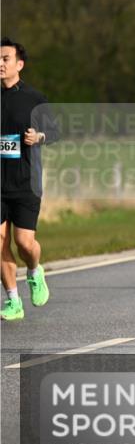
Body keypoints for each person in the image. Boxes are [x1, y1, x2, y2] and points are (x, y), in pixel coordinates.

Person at [0, 38, 54, 321]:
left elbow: (55, 133)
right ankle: (12, 301)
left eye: (5, 58)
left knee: (23, 243)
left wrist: (39, 137)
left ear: (19, 64)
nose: (0, 63)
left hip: (25, 182)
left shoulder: (35, 98)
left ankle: (34, 270)